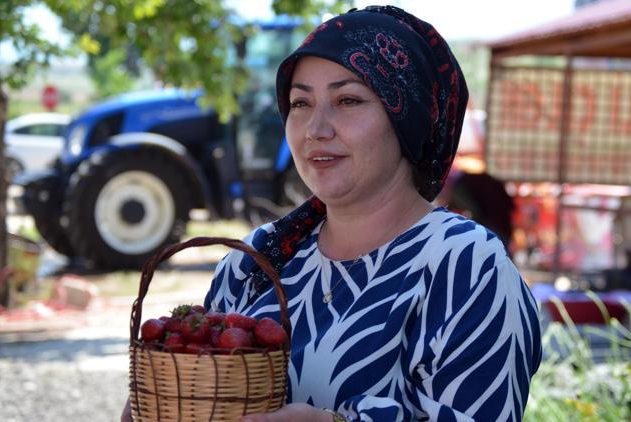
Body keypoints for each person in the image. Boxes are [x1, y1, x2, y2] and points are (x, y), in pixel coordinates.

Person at [123, 5, 541, 422]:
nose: (315, 128)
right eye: (300, 103)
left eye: (348, 99)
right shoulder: (255, 261)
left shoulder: (465, 266)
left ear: (406, 118)